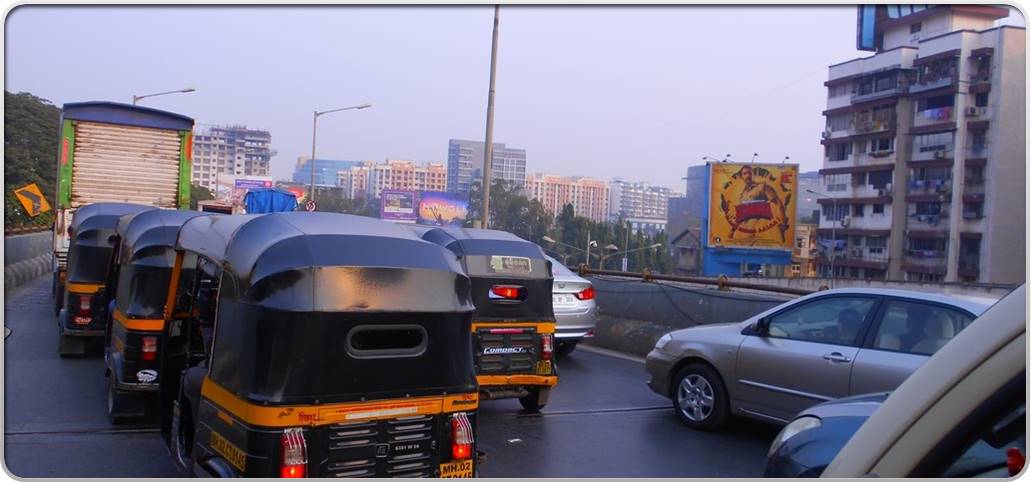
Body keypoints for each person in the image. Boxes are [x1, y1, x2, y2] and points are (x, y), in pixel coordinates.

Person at [729, 165, 789, 241]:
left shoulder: (762, 186)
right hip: (746, 235)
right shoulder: (742, 196)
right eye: (745, 173)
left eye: (750, 173)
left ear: (753, 174)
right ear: (741, 177)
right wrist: (732, 231)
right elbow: (740, 216)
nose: (748, 175)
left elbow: (778, 202)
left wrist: (783, 222)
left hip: (764, 233)